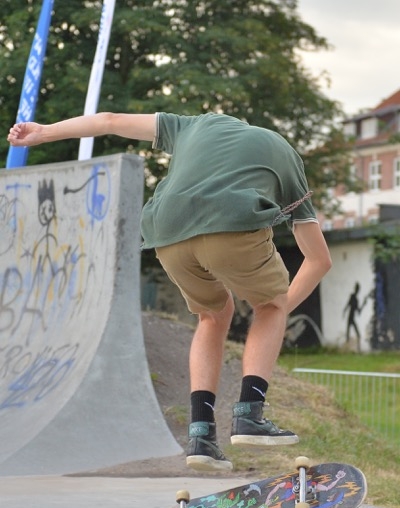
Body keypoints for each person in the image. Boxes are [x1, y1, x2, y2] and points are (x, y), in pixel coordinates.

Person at [7, 111, 332, 472]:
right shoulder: (283, 152)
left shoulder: (192, 124)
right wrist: (279, 306)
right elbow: (318, 260)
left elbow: (110, 120)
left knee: (212, 315)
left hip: (166, 230)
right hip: (233, 221)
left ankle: (201, 437)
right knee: (269, 307)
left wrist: (44, 132)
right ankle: (249, 415)